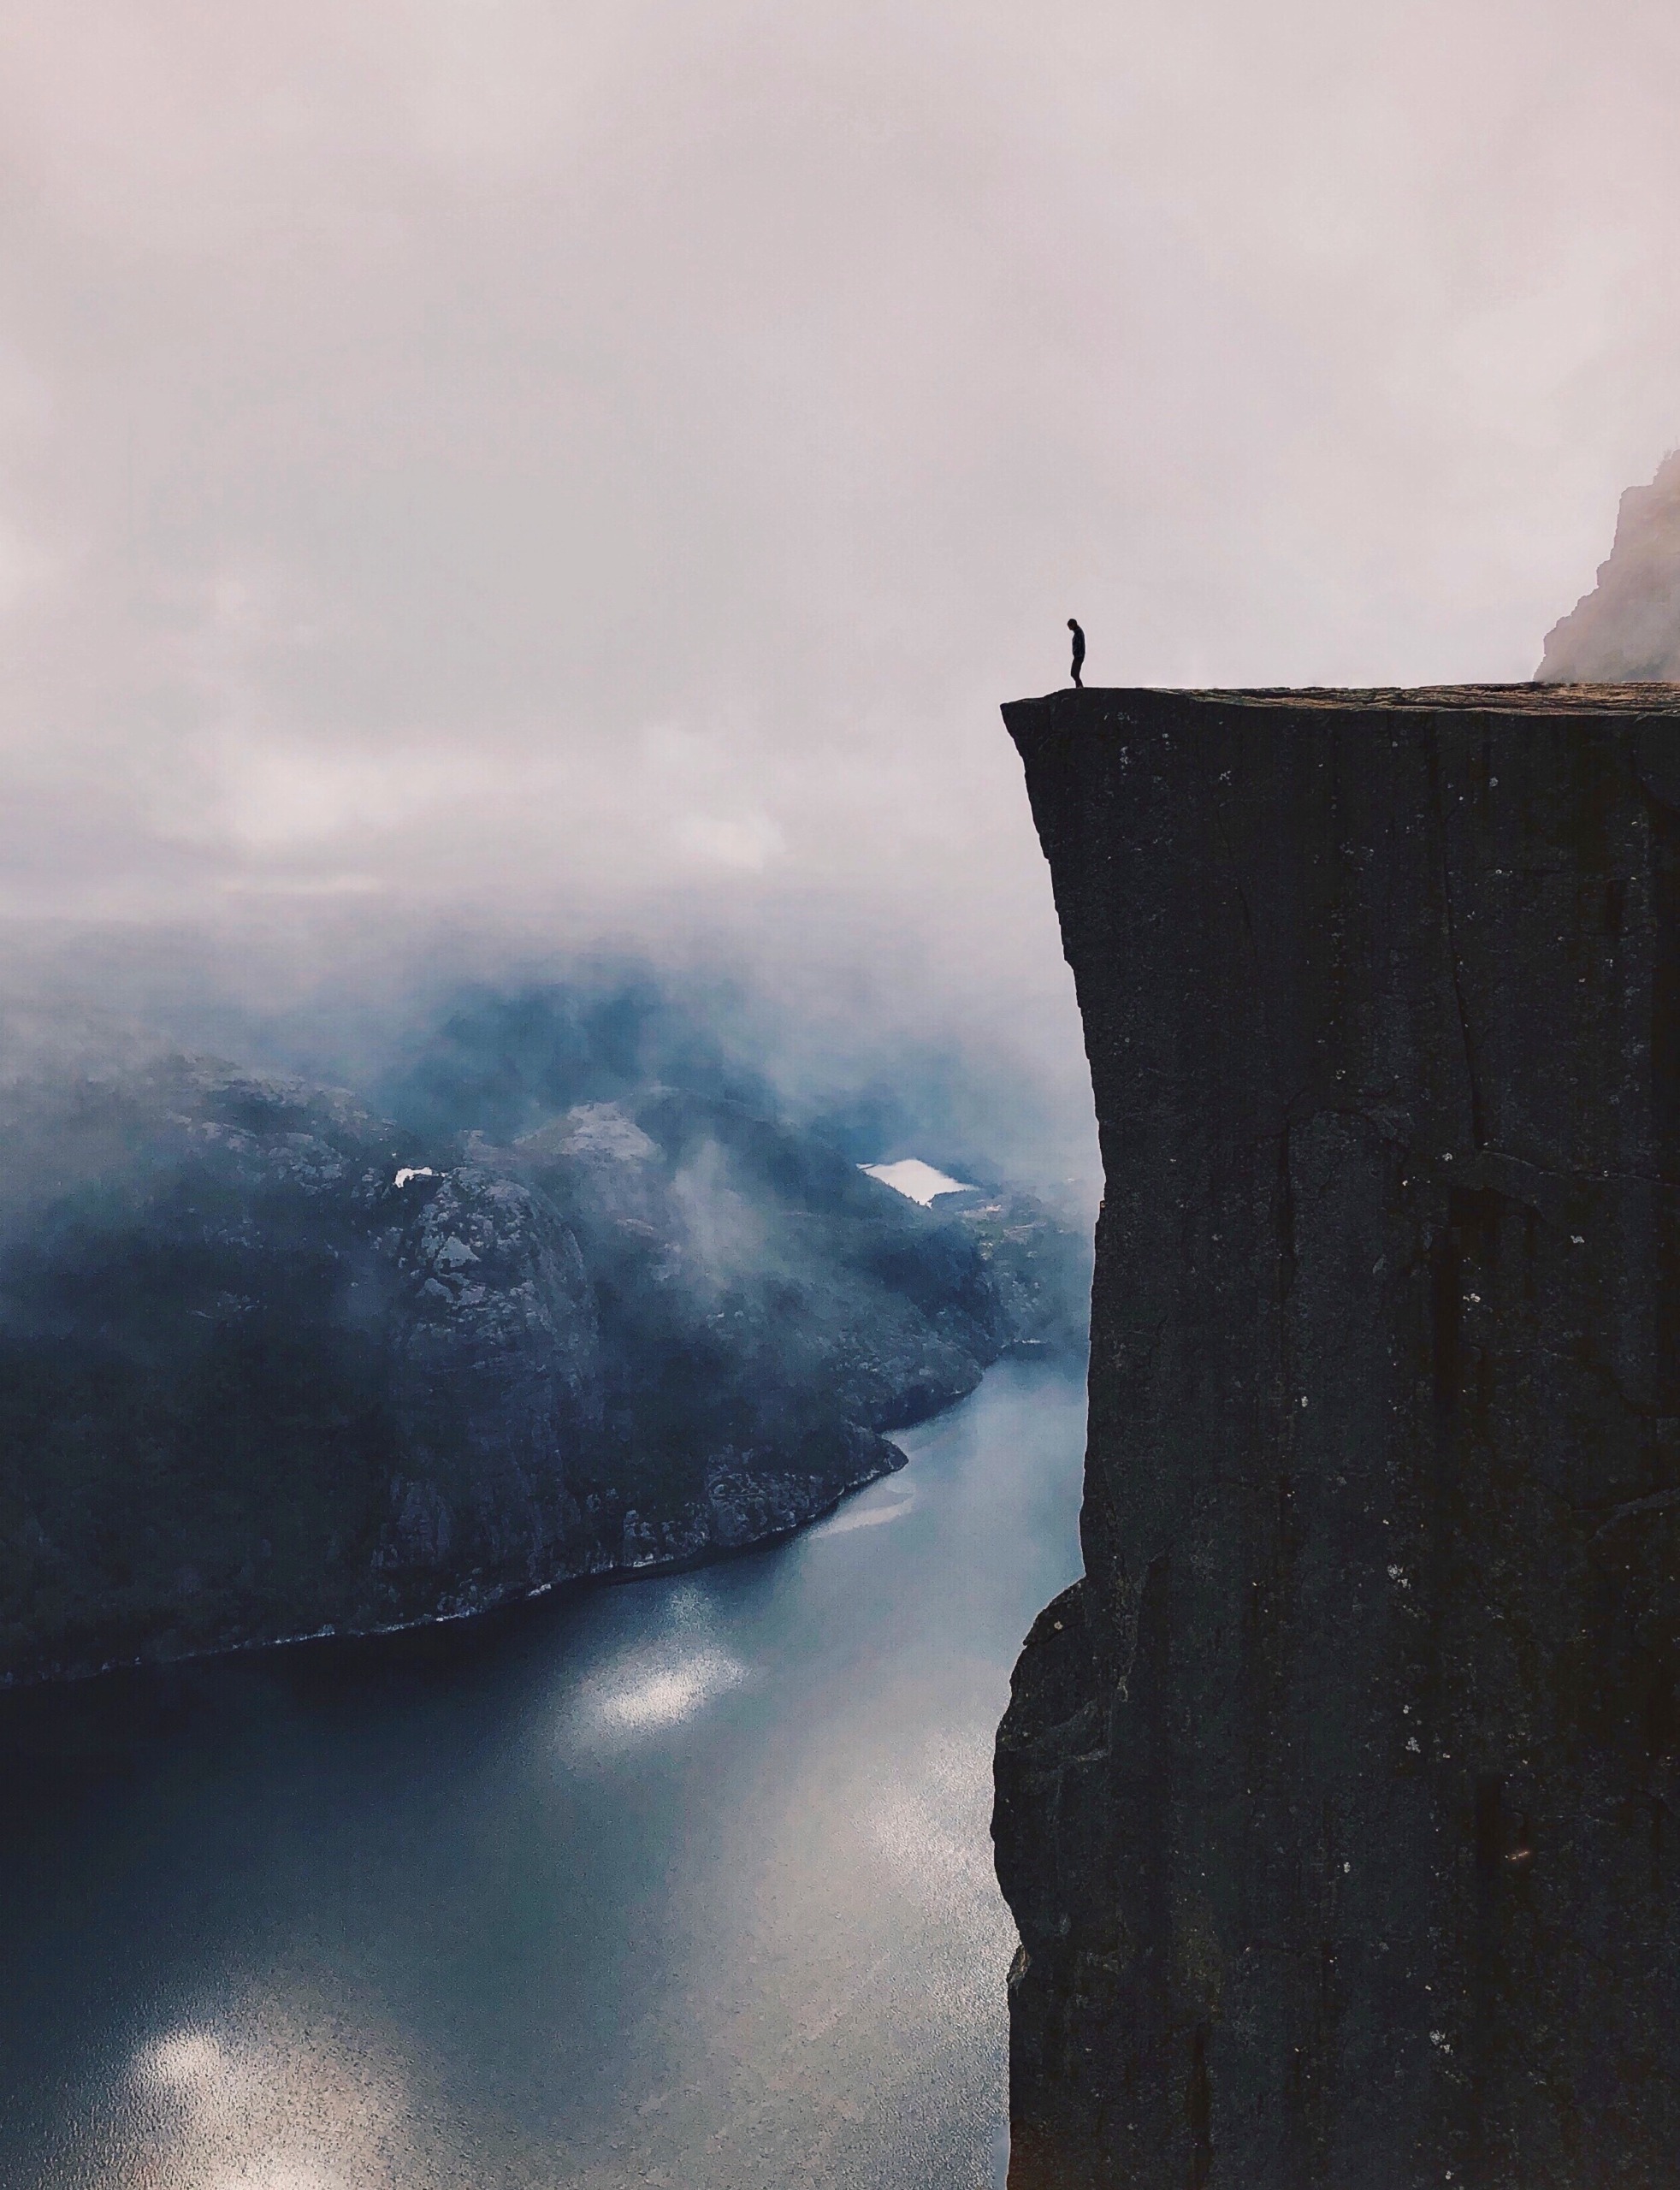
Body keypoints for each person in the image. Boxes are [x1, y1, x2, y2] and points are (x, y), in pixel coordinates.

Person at [1068, 618, 1085, 689]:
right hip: (1078, 655)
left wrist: (1077, 653)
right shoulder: (1077, 632)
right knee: (1074, 673)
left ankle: (1080, 686)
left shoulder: (1078, 632)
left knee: (1074, 673)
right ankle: (1078, 686)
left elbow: (1079, 644)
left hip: (1079, 656)